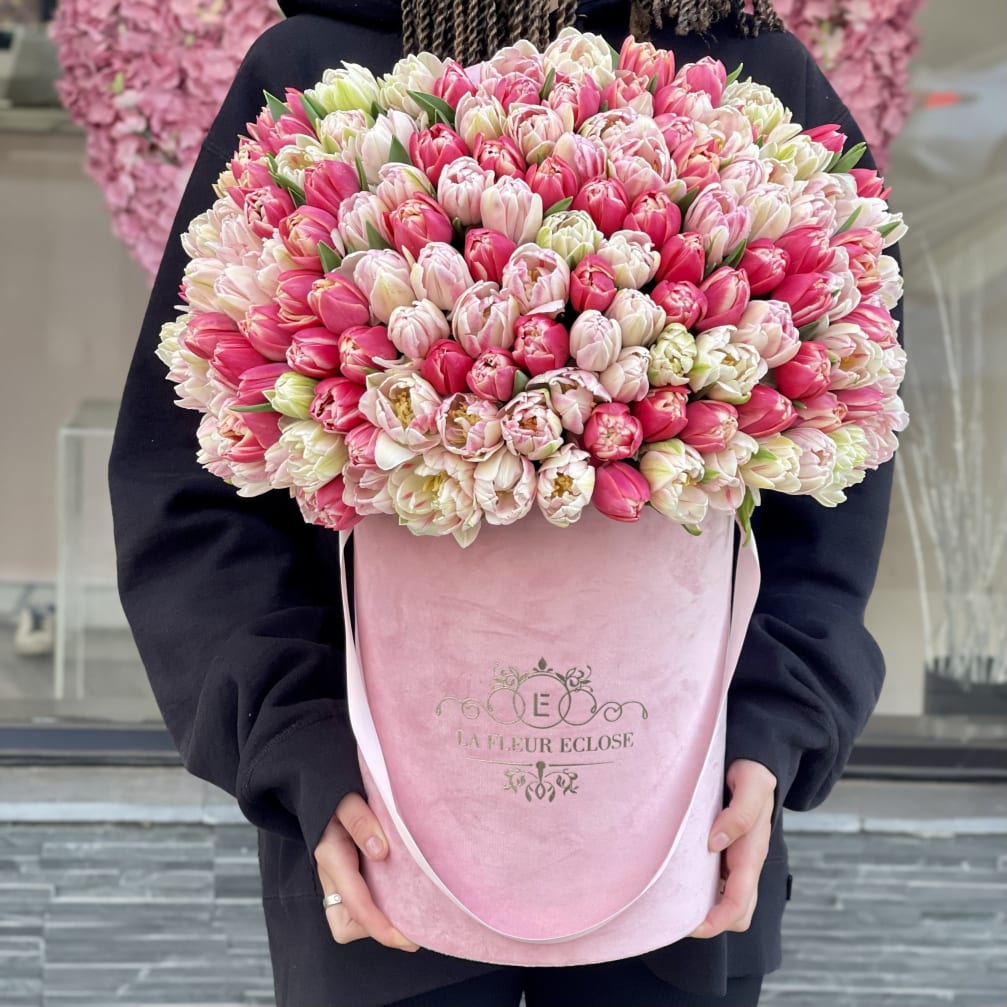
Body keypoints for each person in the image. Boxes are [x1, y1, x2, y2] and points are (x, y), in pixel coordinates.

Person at [109, 1, 901, 1004]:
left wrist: (773, 728)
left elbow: (835, 455)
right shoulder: (324, 63)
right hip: (382, 847)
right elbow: (191, 480)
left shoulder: (747, 70)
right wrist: (293, 738)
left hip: (679, 839)